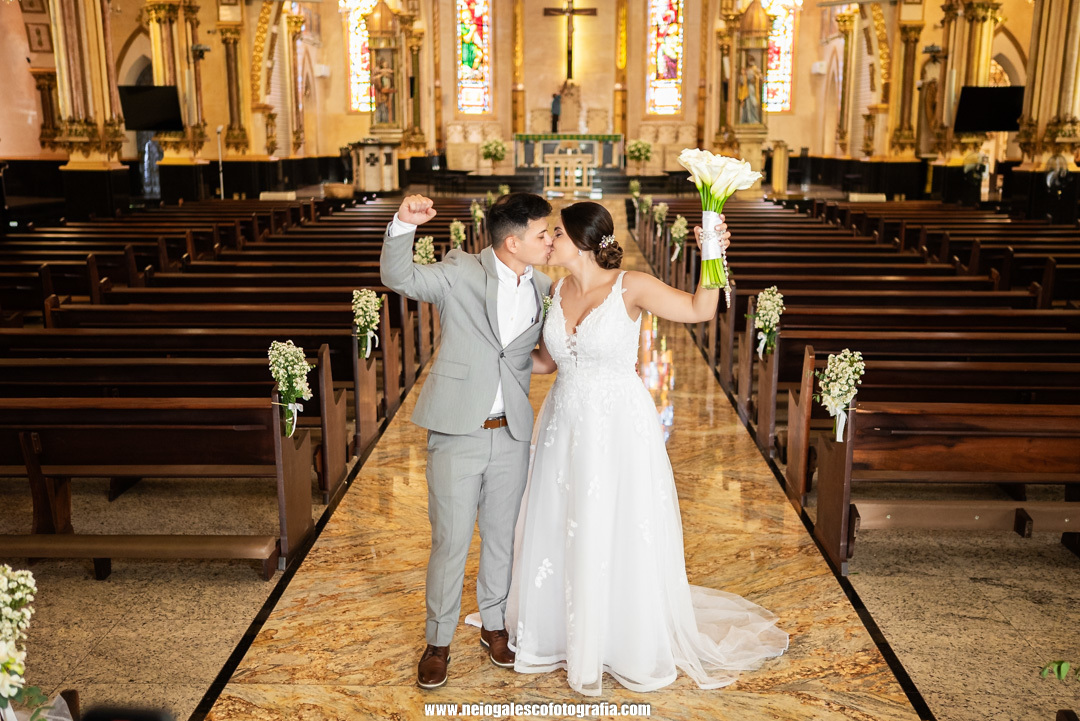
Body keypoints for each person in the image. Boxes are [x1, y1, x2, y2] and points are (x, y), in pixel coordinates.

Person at [473, 202, 788, 696]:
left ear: (583, 241)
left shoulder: (631, 286)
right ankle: (560, 628)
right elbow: (546, 362)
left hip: (617, 425)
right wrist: (487, 350)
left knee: (616, 520)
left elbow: (700, 310)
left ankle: (622, 635)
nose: (549, 240)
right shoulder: (555, 290)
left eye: (557, 233)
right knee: (561, 518)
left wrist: (712, 255)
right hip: (562, 424)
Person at [380, 193, 555, 690]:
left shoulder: (544, 286)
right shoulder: (459, 271)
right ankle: (438, 641)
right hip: (458, 430)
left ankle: (494, 625)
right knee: (451, 540)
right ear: (513, 241)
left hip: (512, 432)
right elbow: (399, 277)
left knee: (500, 538)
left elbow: (534, 357)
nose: (551, 241)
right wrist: (403, 225)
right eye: (543, 233)